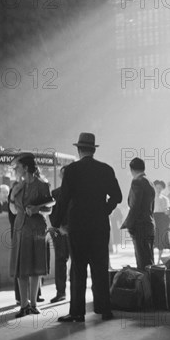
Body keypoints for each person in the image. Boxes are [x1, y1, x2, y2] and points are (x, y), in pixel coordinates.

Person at [52, 133, 122, 323]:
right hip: (99, 225)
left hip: (78, 226)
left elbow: (64, 198)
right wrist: (104, 211)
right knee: (100, 267)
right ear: (93, 149)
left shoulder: (72, 170)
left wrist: (55, 223)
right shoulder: (105, 169)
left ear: (78, 149)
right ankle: (104, 309)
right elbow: (117, 197)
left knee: (78, 269)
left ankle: (77, 312)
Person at [9, 154, 53, 317]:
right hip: (20, 228)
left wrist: (36, 209)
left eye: (18, 166)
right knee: (21, 269)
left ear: (26, 168)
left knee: (35, 268)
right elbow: (13, 210)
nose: (16, 169)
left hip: (36, 229)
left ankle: (33, 304)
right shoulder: (17, 186)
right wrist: (13, 195)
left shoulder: (42, 185)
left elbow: (49, 208)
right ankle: (23, 305)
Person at [121, 157, 155, 271]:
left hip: (140, 226)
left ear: (131, 169)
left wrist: (128, 224)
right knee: (149, 260)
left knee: (142, 262)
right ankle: (152, 286)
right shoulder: (149, 182)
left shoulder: (137, 181)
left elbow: (135, 206)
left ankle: (146, 287)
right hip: (149, 224)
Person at [49, 166, 70, 303]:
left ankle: (62, 292)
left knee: (62, 261)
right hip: (63, 231)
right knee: (61, 261)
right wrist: (60, 227)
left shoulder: (56, 193)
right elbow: (52, 213)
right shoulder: (55, 193)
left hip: (64, 231)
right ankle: (61, 291)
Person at [153, 180, 170, 264]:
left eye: (160, 188)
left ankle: (159, 259)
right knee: (153, 238)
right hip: (153, 218)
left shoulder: (165, 199)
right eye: (157, 188)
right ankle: (152, 259)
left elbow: (167, 210)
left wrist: (167, 211)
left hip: (162, 219)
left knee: (161, 240)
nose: (158, 189)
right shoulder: (151, 197)